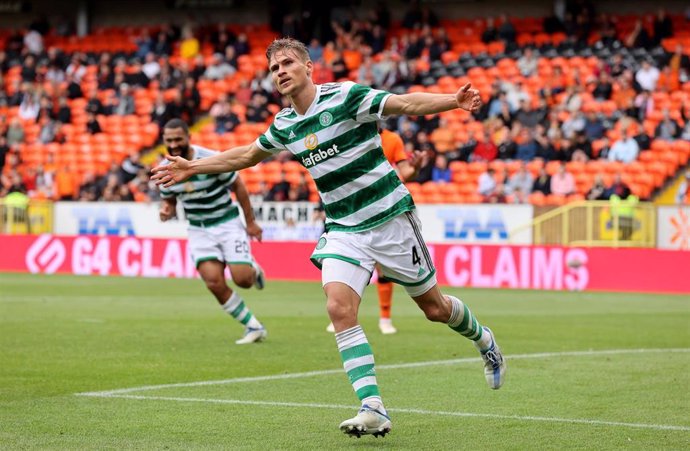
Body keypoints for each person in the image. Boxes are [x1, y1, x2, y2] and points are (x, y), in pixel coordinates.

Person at [152, 38, 506, 438]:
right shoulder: (285, 124)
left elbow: (404, 103)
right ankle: (372, 406)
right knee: (339, 308)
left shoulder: (345, 97)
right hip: (343, 228)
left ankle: (484, 340)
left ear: (308, 67)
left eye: (288, 63)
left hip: (390, 219)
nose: (280, 71)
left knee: (436, 309)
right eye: (273, 68)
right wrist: (193, 167)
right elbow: (245, 156)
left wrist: (451, 101)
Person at [157, 119, 268, 345]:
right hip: (199, 229)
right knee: (214, 282)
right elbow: (169, 198)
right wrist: (167, 209)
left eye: (178, 138)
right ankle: (253, 326)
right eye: (169, 140)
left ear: (189, 137)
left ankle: (252, 269)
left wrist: (251, 223)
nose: (174, 144)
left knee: (243, 280)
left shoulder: (208, 158)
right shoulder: (163, 169)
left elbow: (238, 185)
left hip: (226, 223)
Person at [325, 123, 428, 335]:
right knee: (344, 266)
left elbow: (404, 171)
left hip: (382, 209)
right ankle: (345, 315)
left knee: (382, 270)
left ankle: (385, 318)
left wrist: (415, 167)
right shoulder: (349, 136)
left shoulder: (392, 140)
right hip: (351, 210)